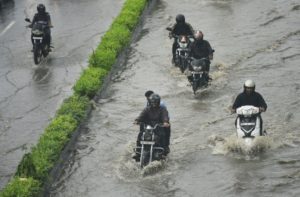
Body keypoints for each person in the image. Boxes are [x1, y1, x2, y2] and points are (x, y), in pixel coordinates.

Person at [133, 94, 170, 161]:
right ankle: (138, 152)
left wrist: (165, 122)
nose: (153, 104)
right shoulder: (147, 109)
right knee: (141, 135)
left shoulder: (162, 109)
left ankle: (164, 152)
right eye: (152, 102)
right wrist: (137, 120)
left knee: (162, 135)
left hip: (158, 127)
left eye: (155, 102)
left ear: (158, 102)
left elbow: (165, 116)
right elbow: (142, 115)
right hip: (148, 128)